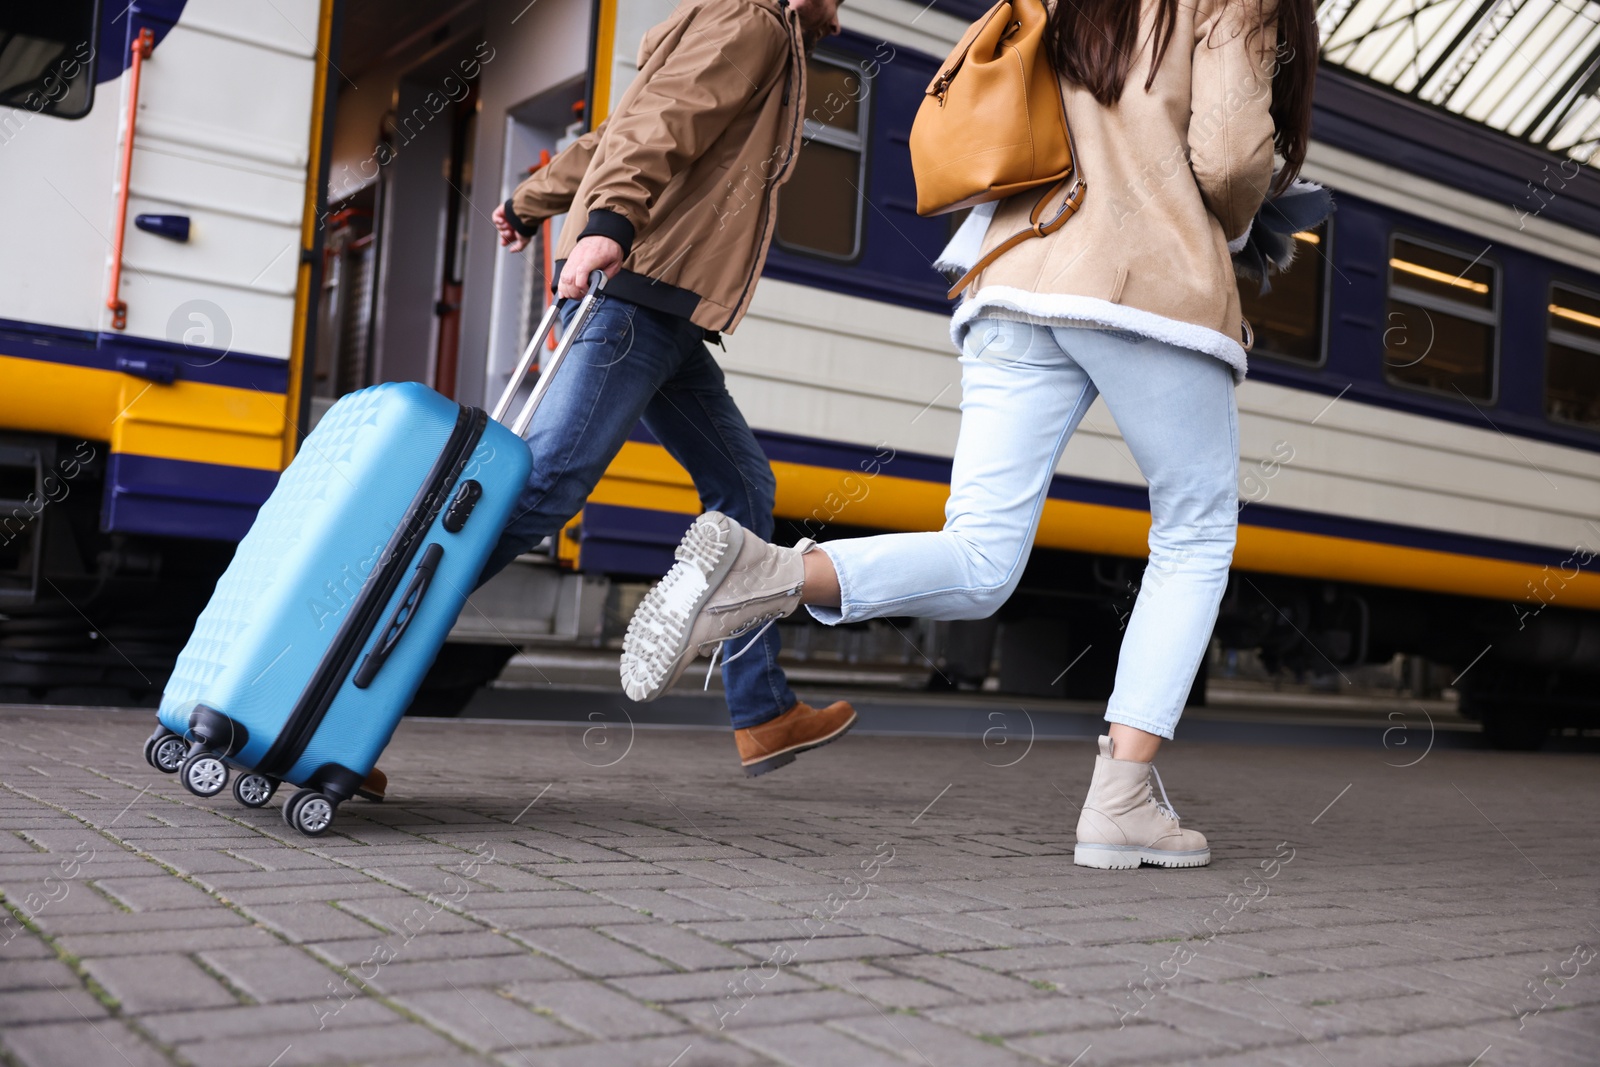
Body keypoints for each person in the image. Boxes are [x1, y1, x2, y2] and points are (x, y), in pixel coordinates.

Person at [620, 0, 1320, 867]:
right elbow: (1231, 157)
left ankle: (770, 570)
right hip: (1144, 283)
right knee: (1195, 531)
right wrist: (1244, 227)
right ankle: (1122, 800)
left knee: (982, 553)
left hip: (1012, 275)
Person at [485, 0, 855, 777]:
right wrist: (609, 222)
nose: (841, 10)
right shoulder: (752, 24)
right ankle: (359, 653)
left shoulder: (764, 31)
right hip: (641, 298)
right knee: (545, 487)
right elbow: (658, 128)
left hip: (668, 311)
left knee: (743, 486)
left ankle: (763, 712)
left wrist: (531, 201)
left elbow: (618, 129)